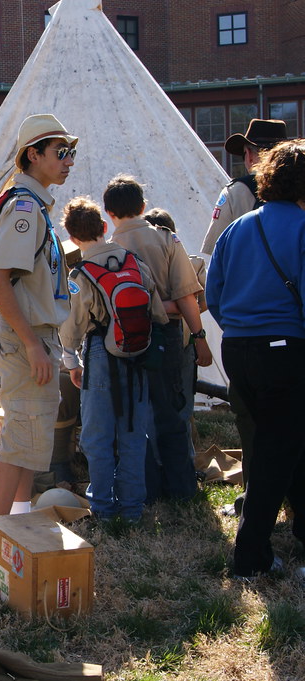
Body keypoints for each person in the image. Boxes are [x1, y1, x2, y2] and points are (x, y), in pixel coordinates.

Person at [207, 139, 305, 581]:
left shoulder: (238, 226)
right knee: (276, 453)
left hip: (239, 349)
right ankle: (250, 556)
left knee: (280, 445)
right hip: (285, 348)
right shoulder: (302, 228)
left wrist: (243, 326)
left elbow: (215, 293)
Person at [0, 113, 76, 518]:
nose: (68, 159)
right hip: (28, 337)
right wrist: (31, 344)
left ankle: (17, 521)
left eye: (71, 151)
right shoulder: (25, 208)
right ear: (33, 155)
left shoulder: (37, 205)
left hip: (37, 336)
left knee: (30, 434)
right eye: (60, 151)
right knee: (21, 433)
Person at [199, 119, 288, 517]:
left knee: (251, 419)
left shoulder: (237, 193)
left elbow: (212, 255)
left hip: (248, 326)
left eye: (247, 151)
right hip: (292, 325)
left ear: (253, 154)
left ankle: (256, 498)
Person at [59, 197, 167, 522]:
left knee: (97, 436)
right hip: (136, 354)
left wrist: (70, 360)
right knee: (133, 434)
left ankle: (103, 509)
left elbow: (71, 324)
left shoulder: (78, 276)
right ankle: (132, 509)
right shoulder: (134, 262)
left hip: (99, 354)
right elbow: (157, 312)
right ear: (104, 227)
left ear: (73, 238)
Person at [105, 175, 212, 504]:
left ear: (108, 212)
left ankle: (143, 490)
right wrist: (199, 337)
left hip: (119, 340)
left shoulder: (104, 249)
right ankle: (180, 489)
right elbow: (186, 294)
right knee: (169, 413)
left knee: (129, 420)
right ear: (142, 206)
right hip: (164, 336)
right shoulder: (167, 240)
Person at [145, 207, 207, 464]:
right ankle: (179, 465)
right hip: (172, 340)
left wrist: (165, 304)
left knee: (172, 405)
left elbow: (201, 301)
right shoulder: (189, 263)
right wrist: (181, 305)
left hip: (173, 342)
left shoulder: (191, 263)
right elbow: (196, 302)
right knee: (177, 406)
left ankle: (176, 464)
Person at [201, 119, 289, 256]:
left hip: (249, 275)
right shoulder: (299, 187)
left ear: (248, 155)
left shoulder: (235, 191)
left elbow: (216, 248)